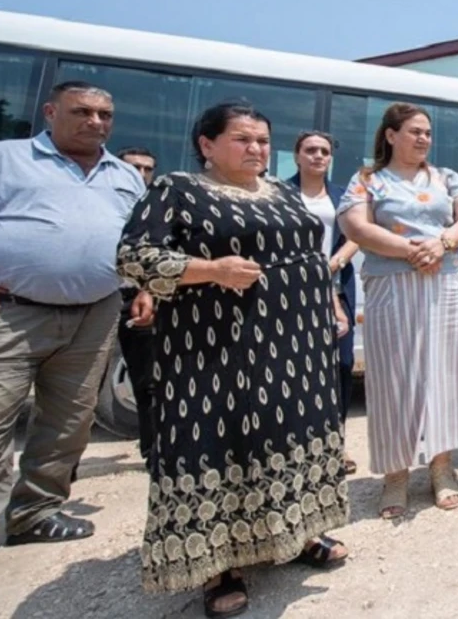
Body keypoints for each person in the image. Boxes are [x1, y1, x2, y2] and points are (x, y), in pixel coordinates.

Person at [117, 102, 350, 616]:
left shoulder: (282, 191)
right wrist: (211, 269)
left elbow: (310, 256)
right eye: (243, 140)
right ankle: (220, 564)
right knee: (222, 443)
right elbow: (134, 256)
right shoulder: (177, 190)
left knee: (290, 433)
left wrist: (329, 300)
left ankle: (296, 534)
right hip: (216, 348)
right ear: (207, 144)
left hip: (296, 345)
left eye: (264, 141)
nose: (257, 150)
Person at [0, 82, 147, 546]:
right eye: (82, 111)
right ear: (49, 112)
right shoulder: (8, 158)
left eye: (105, 114)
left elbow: (137, 241)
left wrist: (142, 288)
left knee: (67, 421)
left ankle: (34, 514)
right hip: (13, 312)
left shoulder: (124, 175)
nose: (96, 122)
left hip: (95, 314)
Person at [338, 103, 458, 519]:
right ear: (390, 135)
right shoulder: (368, 179)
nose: (423, 139)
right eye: (414, 131)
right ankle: (395, 474)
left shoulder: (447, 177)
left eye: (427, 133)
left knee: (446, 373)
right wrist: (413, 250)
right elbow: (356, 227)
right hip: (391, 286)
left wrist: (445, 242)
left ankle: (442, 467)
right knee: (393, 377)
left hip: (448, 281)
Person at [288, 131, 361, 475]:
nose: (318, 156)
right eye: (310, 150)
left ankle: (336, 443)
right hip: (290, 291)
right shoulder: (279, 193)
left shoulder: (342, 195)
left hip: (337, 289)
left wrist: (335, 262)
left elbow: (356, 236)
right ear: (297, 155)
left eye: (324, 151)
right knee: (297, 368)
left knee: (342, 367)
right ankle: (296, 446)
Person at [115, 146, 160, 466]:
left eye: (147, 169)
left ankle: (153, 451)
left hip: (139, 300)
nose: (141, 175)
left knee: (147, 381)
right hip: (96, 298)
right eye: (134, 168)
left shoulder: (158, 209)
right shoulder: (104, 204)